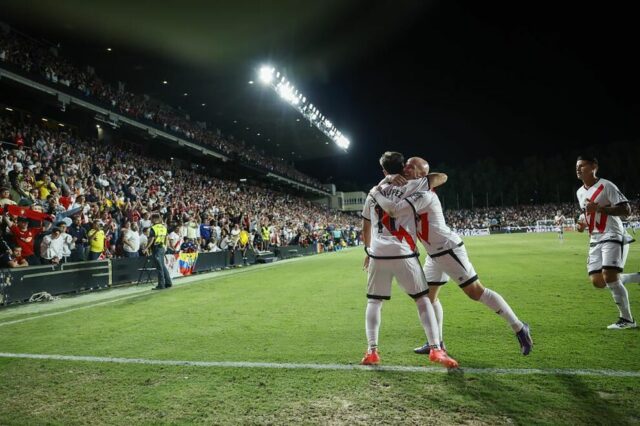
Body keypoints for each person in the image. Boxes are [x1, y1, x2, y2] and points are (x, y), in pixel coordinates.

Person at [370, 156, 533, 355]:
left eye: (411, 167)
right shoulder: (408, 189)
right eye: (406, 165)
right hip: (433, 253)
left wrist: (379, 189)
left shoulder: (423, 193)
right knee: (428, 300)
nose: (405, 168)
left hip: (447, 249)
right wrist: (388, 179)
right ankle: (436, 343)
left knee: (475, 292)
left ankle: (519, 327)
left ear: (423, 175)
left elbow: (397, 206)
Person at [361, 151, 458, 368]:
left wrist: (367, 251)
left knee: (374, 302)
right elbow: (439, 178)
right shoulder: (414, 185)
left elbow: (365, 226)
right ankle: (436, 349)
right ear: (403, 166)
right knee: (423, 300)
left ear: (384, 170)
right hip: (404, 252)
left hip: (378, 253)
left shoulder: (373, 192)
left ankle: (372, 351)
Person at [575, 155, 639, 329]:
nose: (578, 168)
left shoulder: (607, 185)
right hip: (595, 238)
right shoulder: (580, 192)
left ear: (594, 166)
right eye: (576, 166)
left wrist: (600, 209)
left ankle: (627, 320)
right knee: (598, 281)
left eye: (582, 165)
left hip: (612, 234)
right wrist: (582, 223)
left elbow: (626, 209)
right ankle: (636, 277)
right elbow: (587, 212)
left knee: (610, 277)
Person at [144, 213, 172, 290]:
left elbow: (151, 239)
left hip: (156, 249)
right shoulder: (163, 227)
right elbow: (166, 237)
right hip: (162, 247)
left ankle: (161, 284)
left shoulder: (153, 228)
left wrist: (146, 248)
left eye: (151, 219)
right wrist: (165, 246)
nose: (151, 220)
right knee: (162, 266)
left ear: (154, 219)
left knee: (159, 267)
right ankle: (168, 282)